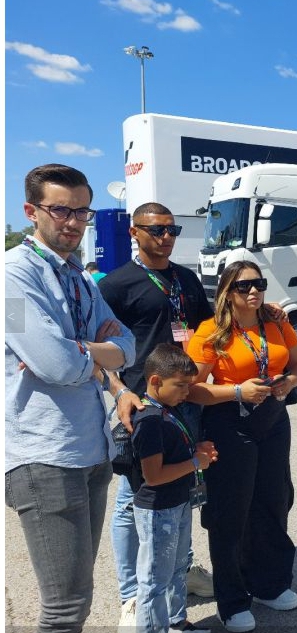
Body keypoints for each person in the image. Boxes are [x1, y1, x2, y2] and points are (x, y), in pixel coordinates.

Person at [5, 163, 136, 633]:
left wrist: (79, 349)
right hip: (46, 456)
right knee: (65, 607)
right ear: (31, 211)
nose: (74, 221)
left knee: (79, 600)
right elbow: (53, 364)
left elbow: (128, 345)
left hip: (91, 448)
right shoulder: (12, 281)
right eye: (60, 209)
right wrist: (90, 353)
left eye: (82, 211)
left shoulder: (79, 277)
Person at [99, 203, 217, 626]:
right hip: (143, 401)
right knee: (134, 499)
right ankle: (133, 592)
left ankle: (178, 571)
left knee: (182, 486)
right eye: (156, 230)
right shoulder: (116, 285)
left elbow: (204, 332)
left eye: (172, 229)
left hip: (182, 396)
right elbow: (98, 347)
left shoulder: (185, 278)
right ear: (135, 232)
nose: (166, 237)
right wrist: (119, 391)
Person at [186, 261, 297, 633]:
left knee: (274, 501)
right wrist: (237, 390)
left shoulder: (276, 322)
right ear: (227, 292)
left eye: (259, 284)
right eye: (244, 287)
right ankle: (232, 600)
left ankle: (269, 584)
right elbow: (191, 389)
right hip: (228, 423)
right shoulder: (211, 332)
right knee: (231, 512)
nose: (254, 292)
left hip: (272, 420)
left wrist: (288, 381)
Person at [131, 344, 218, 633]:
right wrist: (196, 462)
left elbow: (172, 452)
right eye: (180, 386)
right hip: (158, 510)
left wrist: (195, 449)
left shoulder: (169, 411)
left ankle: (177, 622)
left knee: (178, 569)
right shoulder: (150, 419)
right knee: (155, 580)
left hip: (178, 502)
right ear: (155, 381)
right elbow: (153, 475)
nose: (186, 392)